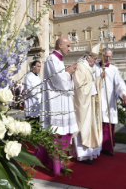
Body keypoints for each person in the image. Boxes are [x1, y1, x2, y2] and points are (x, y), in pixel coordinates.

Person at [36, 37, 78, 175]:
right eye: (68, 46)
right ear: (60, 45)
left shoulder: (58, 60)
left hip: (62, 102)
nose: (70, 48)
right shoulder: (51, 59)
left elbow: (65, 82)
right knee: (56, 136)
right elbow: (58, 81)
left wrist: (68, 72)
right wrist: (69, 72)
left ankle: (59, 163)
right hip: (55, 104)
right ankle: (56, 167)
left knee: (65, 134)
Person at [71, 43, 104, 165]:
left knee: (91, 127)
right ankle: (82, 155)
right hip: (83, 103)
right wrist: (93, 84)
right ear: (88, 57)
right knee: (84, 125)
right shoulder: (80, 66)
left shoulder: (89, 68)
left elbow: (92, 83)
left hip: (91, 102)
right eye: (94, 59)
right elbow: (79, 85)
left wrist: (99, 78)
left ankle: (90, 152)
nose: (95, 61)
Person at [93, 47, 126, 156]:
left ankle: (107, 147)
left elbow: (119, 84)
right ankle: (96, 146)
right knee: (97, 124)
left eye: (109, 56)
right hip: (97, 100)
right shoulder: (94, 67)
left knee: (108, 125)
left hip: (109, 101)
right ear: (101, 55)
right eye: (106, 56)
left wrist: (124, 94)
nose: (108, 58)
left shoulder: (113, 69)